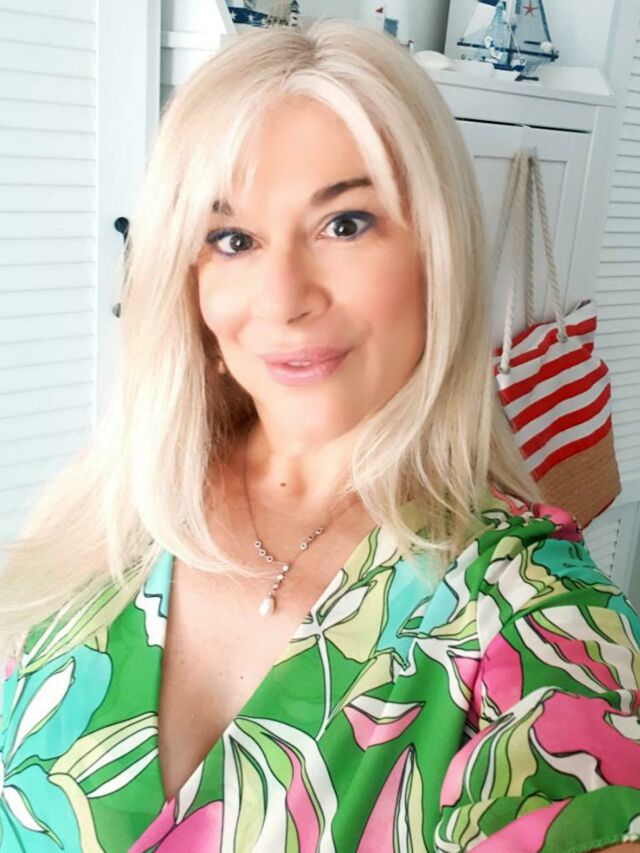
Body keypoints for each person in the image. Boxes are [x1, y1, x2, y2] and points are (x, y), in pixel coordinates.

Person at [0, 18, 639, 853]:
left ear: (437, 253)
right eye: (233, 239)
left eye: (345, 224)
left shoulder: (533, 611)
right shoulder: (104, 517)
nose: (283, 298)